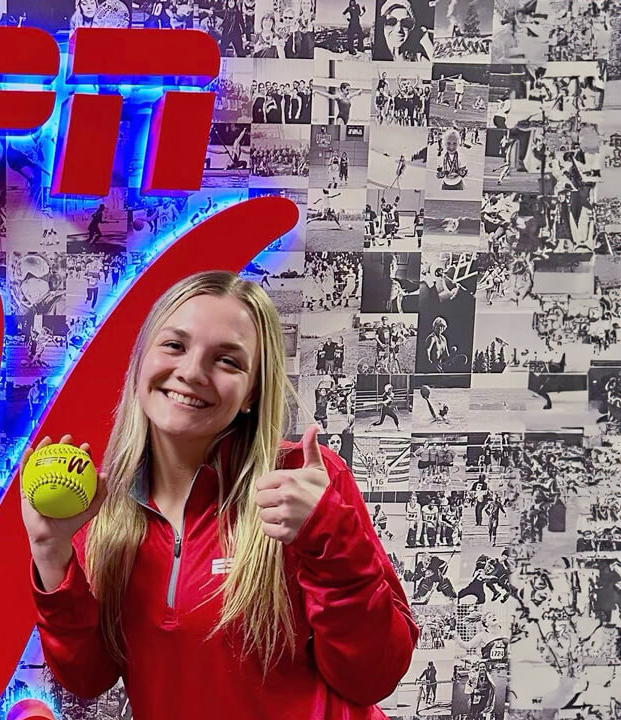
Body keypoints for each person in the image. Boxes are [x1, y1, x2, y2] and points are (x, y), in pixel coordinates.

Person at [23, 271, 418, 719]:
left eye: (227, 361)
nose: (191, 372)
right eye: (174, 345)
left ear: (252, 391)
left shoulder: (304, 483)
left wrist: (332, 538)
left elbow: (373, 675)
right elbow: (88, 679)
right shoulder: (102, 507)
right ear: (141, 362)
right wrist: (51, 553)